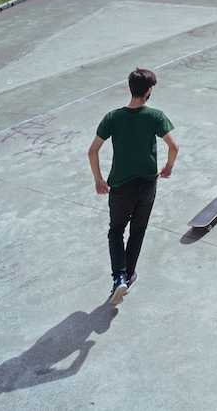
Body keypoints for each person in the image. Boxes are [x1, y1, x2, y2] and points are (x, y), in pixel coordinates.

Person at [88, 68, 179, 306]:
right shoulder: (156, 116)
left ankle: (119, 276)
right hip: (147, 184)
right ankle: (127, 277)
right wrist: (168, 167)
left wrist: (99, 179)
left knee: (116, 230)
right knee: (137, 231)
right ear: (149, 91)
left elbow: (93, 150)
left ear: (130, 89)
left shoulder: (112, 117)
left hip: (120, 187)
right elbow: (174, 146)